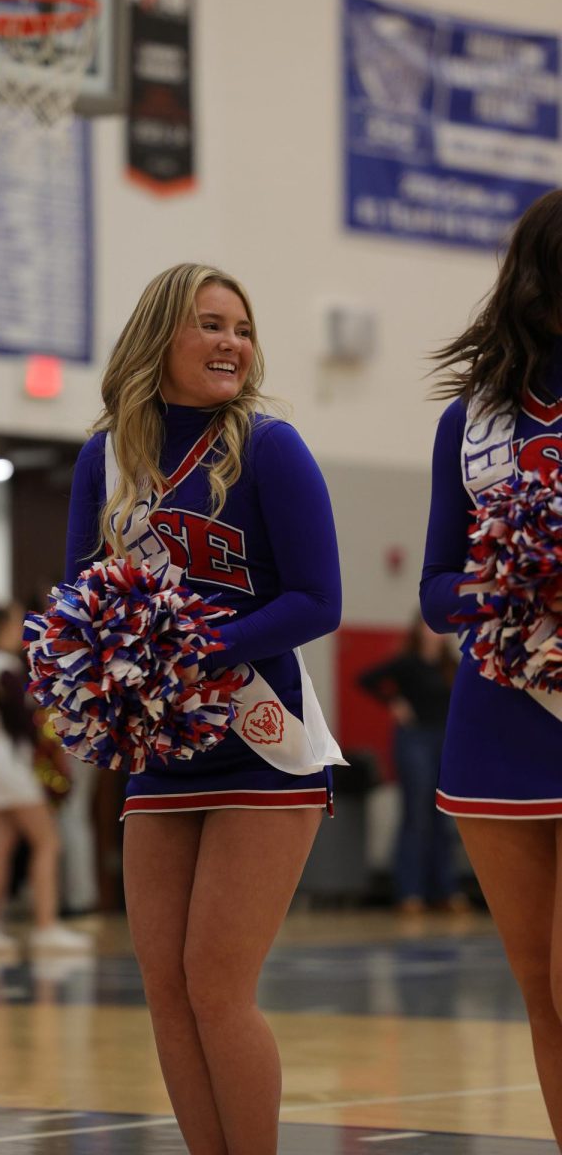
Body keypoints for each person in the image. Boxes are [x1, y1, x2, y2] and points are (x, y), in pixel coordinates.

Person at [63, 263, 343, 1154]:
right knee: (168, 988)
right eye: (210, 325)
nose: (232, 343)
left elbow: (318, 599)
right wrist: (100, 672)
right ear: (161, 338)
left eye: (242, 328)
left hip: (265, 740)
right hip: (163, 752)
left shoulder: (269, 446)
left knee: (218, 985)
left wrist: (198, 650)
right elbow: (80, 594)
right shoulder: (104, 458)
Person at [421, 188, 562, 1147]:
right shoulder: (469, 423)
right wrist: (509, 591)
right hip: (499, 717)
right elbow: (435, 587)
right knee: (541, 996)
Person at [0, 595, 90, 955]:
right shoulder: (4, 669)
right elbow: (24, 724)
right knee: (47, 841)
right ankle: (46, 926)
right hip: (6, 761)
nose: (17, 632)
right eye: (12, 625)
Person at [358, 613, 464, 913]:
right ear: (418, 630)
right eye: (428, 626)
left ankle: (445, 890)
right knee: (416, 814)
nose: (435, 632)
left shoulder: (449, 665)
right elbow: (365, 679)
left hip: (443, 740)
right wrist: (394, 702)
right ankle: (410, 893)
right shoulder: (406, 663)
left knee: (443, 817)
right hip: (414, 739)